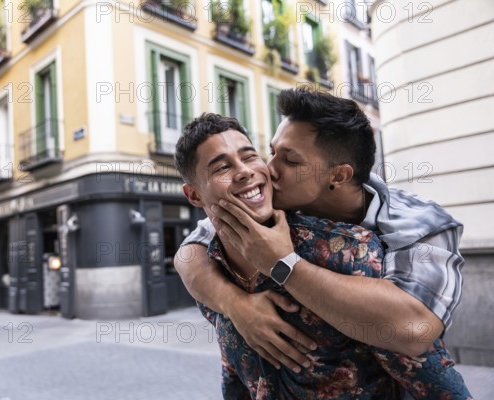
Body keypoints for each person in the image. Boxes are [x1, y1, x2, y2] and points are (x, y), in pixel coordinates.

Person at [174, 112, 471, 399]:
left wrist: (284, 265)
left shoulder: (356, 250)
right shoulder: (213, 262)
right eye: (270, 153)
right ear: (195, 195)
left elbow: (416, 343)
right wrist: (236, 304)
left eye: (289, 160)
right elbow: (234, 372)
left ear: (338, 176)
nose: (261, 169)